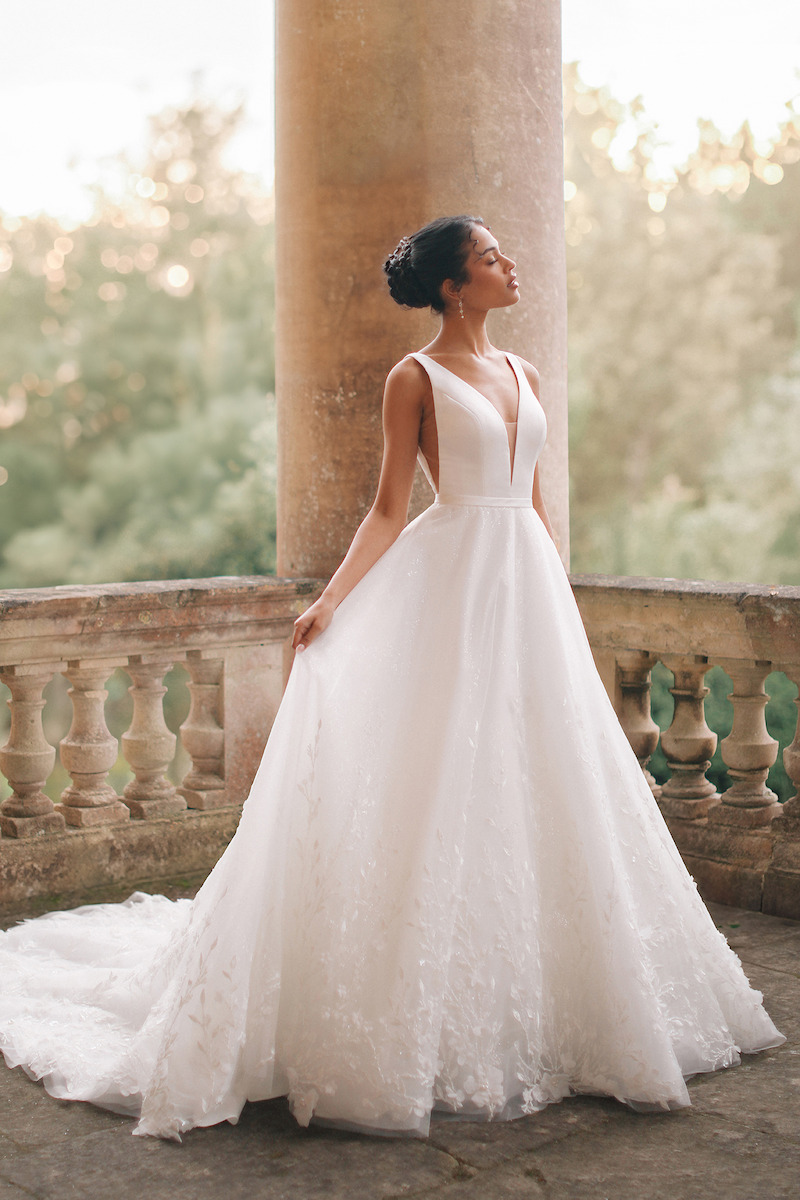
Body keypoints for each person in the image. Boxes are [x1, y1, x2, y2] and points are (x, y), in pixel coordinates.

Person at [0, 216, 783, 1142]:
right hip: (449, 582)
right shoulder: (413, 378)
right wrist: (329, 603)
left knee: (545, 777)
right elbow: (386, 508)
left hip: (523, 584)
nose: (510, 264)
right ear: (454, 286)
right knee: (441, 773)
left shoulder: (527, 374)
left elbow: (532, 508)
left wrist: (557, 605)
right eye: (492, 258)